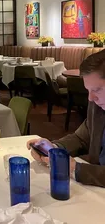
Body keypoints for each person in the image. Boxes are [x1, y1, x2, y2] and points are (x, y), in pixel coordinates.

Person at [27, 49, 105, 187]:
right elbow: (82, 138)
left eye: (97, 89)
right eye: (88, 90)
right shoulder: (97, 106)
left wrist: (76, 169)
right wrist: (54, 148)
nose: (90, 98)